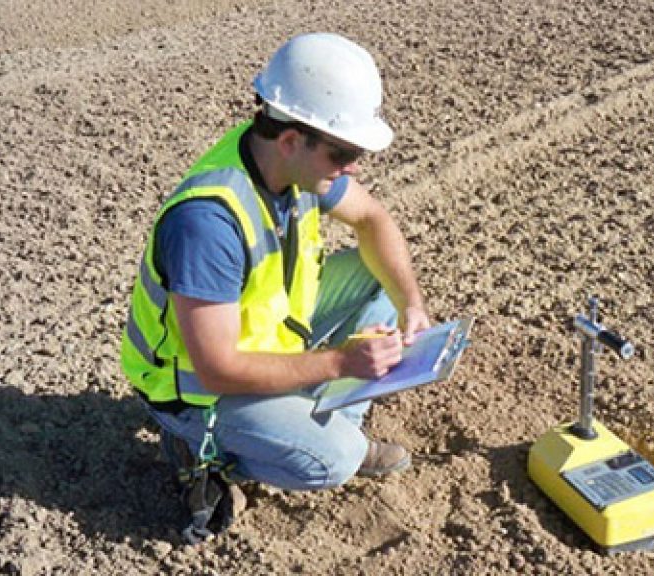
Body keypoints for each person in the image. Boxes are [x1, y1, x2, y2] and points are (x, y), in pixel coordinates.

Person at [120, 32, 430, 540]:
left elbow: (373, 218)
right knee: (334, 461)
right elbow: (218, 368)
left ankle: (321, 417)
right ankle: (200, 449)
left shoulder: (292, 164)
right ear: (292, 139)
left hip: (263, 339)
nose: (352, 166)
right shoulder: (207, 223)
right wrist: (341, 362)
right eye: (343, 152)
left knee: (383, 281)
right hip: (193, 388)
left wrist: (411, 304)